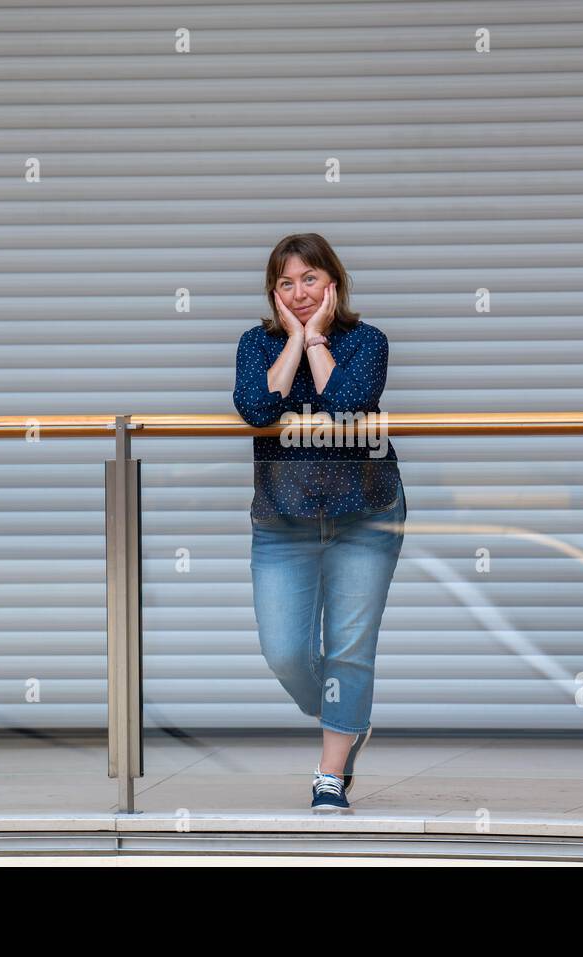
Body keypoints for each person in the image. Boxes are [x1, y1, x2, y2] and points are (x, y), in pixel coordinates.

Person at [232, 233, 406, 812]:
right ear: (273, 291)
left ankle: (330, 775)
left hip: (365, 512)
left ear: (333, 282)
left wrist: (318, 343)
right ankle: (347, 717)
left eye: (310, 279)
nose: (299, 291)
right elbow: (257, 406)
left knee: (350, 646)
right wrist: (294, 342)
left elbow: (346, 407)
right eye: (286, 282)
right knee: (283, 652)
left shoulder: (367, 341)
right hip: (283, 518)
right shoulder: (256, 344)